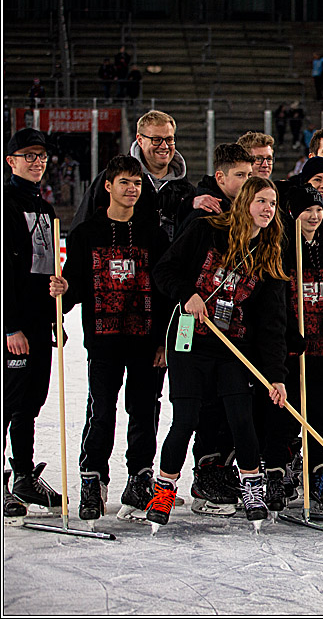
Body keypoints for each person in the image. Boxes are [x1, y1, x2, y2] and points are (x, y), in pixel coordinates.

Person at [148, 177, 289, 529]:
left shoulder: (269, 253)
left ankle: (252, 488)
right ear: (244, 203)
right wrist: (186, 293)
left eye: (272, 203)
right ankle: (163, 489)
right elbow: (164, 270)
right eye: (260, 201)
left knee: (242, 417)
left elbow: (272, 323)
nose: (267, 209)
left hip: (231, 348)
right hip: (189, 340)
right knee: (186, 418)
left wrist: (275, 375)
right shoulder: (205, 230)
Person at [47, 155, 171, 523]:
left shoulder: (154, 234)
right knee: (101, 410)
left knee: (144, 409)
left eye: (136, 184)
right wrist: (63, 291)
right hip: (103, 339)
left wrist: (164, 342)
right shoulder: (87, 233)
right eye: (124, 183)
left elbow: (165, 293)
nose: (131, 190)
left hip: (146, 340)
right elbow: (76, 288)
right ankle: (93, 479)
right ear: (108, 186)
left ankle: (139, 477)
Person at [3, 128, 62, 519]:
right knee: (9, 402)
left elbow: (44, 266)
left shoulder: (44, 207)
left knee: (30, 403)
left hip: (40, 322)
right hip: (16, 325)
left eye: (41, 156)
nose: (37, 162)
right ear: (11, 161)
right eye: (29, 155)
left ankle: (23, 474)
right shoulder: (6, 202)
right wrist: (10, 325)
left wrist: (55, 310)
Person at [277, 183, 323, 514]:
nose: (315, 215)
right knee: (287, 418)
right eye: (308, 209)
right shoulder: (283, 249)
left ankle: (320, 474)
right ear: (294, 212)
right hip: (293, 352)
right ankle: (282, 472)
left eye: (319, 209)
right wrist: (291, 331)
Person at [72, 110, 205, 243]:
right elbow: (81, 230)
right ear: (140, 140)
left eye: (169, 139)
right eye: (156, 140)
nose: (164, 146)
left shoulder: (186, 190)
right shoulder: (112, 180)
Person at [176, 143, 254, 233]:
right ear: (220, 177)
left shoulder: (246, 207)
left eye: (249, 175)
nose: (247, 181)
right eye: (240, 175)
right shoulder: (205, 215)